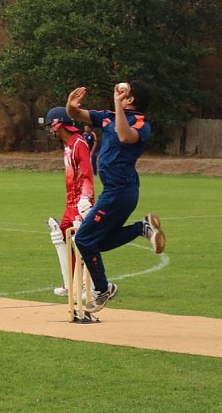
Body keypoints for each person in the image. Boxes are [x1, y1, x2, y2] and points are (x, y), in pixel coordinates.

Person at [66, 81, 166, 313]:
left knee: (83, 239)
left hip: (120, 191)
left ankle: (103, 289)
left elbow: (124, 136)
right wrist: (71, 106)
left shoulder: (141, 123)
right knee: (96, 243)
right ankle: (141, 228)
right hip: (114, 191)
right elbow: (77, 114)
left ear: (130, 100)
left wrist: (118, 105)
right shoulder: (108, 116)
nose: (119, 93)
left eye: (125, 92)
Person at [43, 107, 95, 297]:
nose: (51, 130)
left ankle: (89, 285)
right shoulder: (68, 145)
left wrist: (85, 199)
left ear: (59, 124)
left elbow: (88, 175)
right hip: (70, 204)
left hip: (81, 204)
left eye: (52, 126)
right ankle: (71, 282)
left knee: (81, 243)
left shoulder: (79, 143)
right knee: (61, 237)